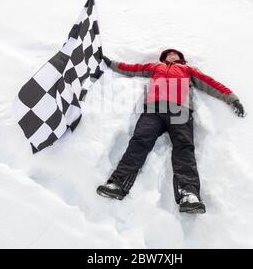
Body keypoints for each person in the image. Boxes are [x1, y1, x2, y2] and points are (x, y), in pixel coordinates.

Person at [97, 49, 245, 214]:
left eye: (176, 54)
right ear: (164, 58)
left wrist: (232, 98)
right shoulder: (154, 67)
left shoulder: (188, 70)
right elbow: (132, 68)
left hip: (180, 110)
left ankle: (188, 194)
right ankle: (117, 183)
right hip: (154, 110)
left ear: (181, 58)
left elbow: (209, 83)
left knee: (184, 147)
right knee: (139, 142)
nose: (172, 55)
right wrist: (111, 63)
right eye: (169, 54)